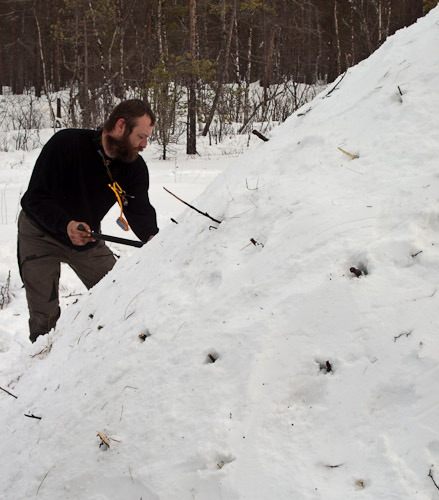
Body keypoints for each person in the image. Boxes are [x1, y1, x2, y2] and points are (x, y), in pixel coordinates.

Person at [17, 99, 159, 343]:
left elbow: (138, 208)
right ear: (121, 125)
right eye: (141, 136)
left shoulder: (133, 166)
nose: (145, 144)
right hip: (39, 234)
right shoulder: (66, 144)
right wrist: (67, 225)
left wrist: (153, 238)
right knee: (44, 318)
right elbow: (36, 198)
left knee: (120, 295)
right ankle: (42, 369)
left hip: (86, 237)